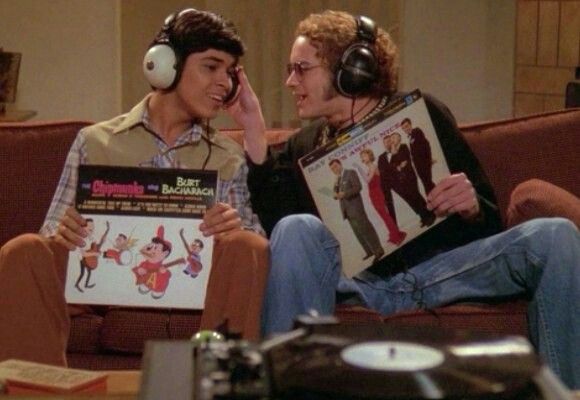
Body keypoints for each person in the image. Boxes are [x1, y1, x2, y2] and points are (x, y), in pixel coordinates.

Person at [247, 10, 580, 389]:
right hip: (358, 283)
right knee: (296, 227)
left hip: (440, 274)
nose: (290, 81)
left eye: (302, 69)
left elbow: (490, 223)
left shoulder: (424, 116)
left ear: (351, 70)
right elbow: (285, 243)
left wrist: (471, 206)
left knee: (555, 235)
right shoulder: (302, 147)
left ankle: (567, 394)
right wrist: (257, 144)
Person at [0, 8, 269, 367]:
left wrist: (234, 227)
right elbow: (50, 233)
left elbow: (256, 250)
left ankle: (219, 382)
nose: (225, 83)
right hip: (99, 279)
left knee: (248, 244)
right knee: (24, 250)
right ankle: (38, 389)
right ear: (166, 64)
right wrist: (63, 231)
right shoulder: (95, 141)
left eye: (230, 72)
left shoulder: (228, 155)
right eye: (211, 66)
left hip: (188, 283)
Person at [330, 158, 384, 262]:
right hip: (347, 211)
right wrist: (335, 188)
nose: (335, 170)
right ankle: (369, 251)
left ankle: (378, 250)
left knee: (366, 228)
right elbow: (334, 195)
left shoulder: (350, 173)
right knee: (358, 232)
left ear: (340, 164)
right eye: (332, 169)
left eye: (335, 166)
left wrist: (345, 194)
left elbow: (358, 187)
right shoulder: (338, 179)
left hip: (356, 207)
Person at [378, 132, 435, 227]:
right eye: (386, 142)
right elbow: (383, 171)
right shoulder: (381, 157)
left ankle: (430, 215)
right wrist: (397, 167)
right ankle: (423, 217)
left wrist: (394, 157)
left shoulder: (403, 147)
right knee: (410, 201)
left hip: (409, 177)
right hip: (396, 184)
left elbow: (405, 161)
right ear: (383, 144)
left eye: (389, 141)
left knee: (416, 196)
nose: (388, 143)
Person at [356, 148, 406, 245]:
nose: (362, 158)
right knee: (384, 216)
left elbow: (367, 180)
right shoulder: (370, 167)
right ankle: (394, 234)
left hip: (377, 194)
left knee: (385, 216)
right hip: (374, 194)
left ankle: (396, 236)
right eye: (361, 156)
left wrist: (359, 168)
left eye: (364, 156)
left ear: (369, 156)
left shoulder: (373, 166)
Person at [401, 117, 435, 194]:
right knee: (427, 183)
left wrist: (428, 159)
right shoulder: (410, 137)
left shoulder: (416, 131)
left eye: (406, 126)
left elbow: (426, 145)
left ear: (410, 125)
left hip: (423, 163)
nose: (405, 129)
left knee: (427, 183)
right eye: (403, 128)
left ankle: (432, 198)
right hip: (418, 165)